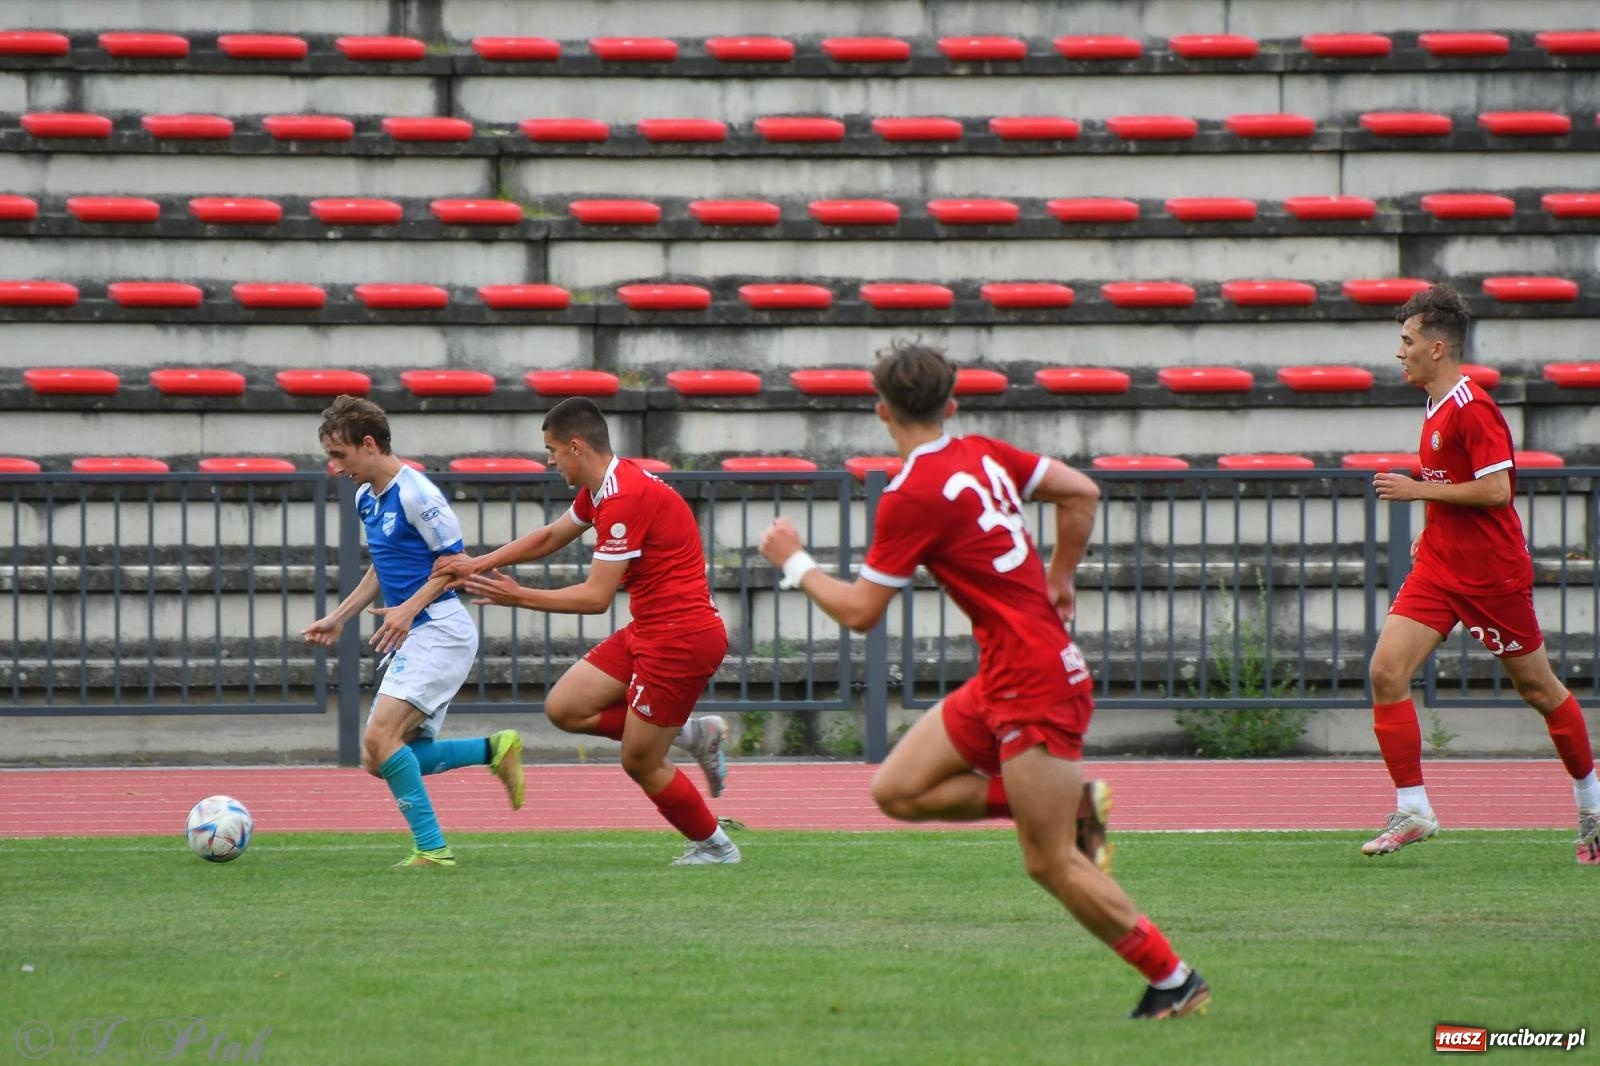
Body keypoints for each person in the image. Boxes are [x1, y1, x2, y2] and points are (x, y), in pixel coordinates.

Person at [758, 340, 1209, 1019]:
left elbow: (859, 612)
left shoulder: (911, 492)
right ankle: (1073, 805)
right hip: (1008, 670)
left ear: (881, 410)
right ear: (953, 403)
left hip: (1036, 679)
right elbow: (1081, 492)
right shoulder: (984, 453)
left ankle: (1173, 977)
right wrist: (1060, 576)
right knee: (897, 790)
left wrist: (794, 562)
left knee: (1048, 862)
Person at [435, 397, 737, 865]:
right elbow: (552, 536)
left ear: (576, 447)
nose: (550, 461)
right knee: (566, 706)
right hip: (653, 628)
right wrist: (479, 562)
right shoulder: (602, 488)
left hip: (681, 637)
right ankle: (693, 736)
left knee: (639, 760)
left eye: (552, 450)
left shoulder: (622, 498)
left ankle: (716, 846)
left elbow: (596, 598)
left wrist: (520, 597)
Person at [1366, 284, 1599, 863]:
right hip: (1442, 567)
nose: (1400, 351)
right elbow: (1456, 480)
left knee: (1538, 689)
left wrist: (1418, 489)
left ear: (1438, 347)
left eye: (1407, 340)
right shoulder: (1433, 404)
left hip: (1491, 577)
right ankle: (1414, 808)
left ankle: (1592, 800)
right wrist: (1433, 518)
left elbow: (1497, 490)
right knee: (1386, 673)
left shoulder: (1474, 408)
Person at [302, 395, 525, 868]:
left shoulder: (417, 494)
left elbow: (454, 567)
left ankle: (432, 849)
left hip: (439, 630)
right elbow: (382, 567)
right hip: (415, 631)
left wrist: (409, 609)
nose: (335, 468)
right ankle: (494, 749)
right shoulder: (368, 497)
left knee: (380, 743)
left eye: (339, 455)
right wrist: (338, 617)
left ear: (368, 444)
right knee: (377, 757)